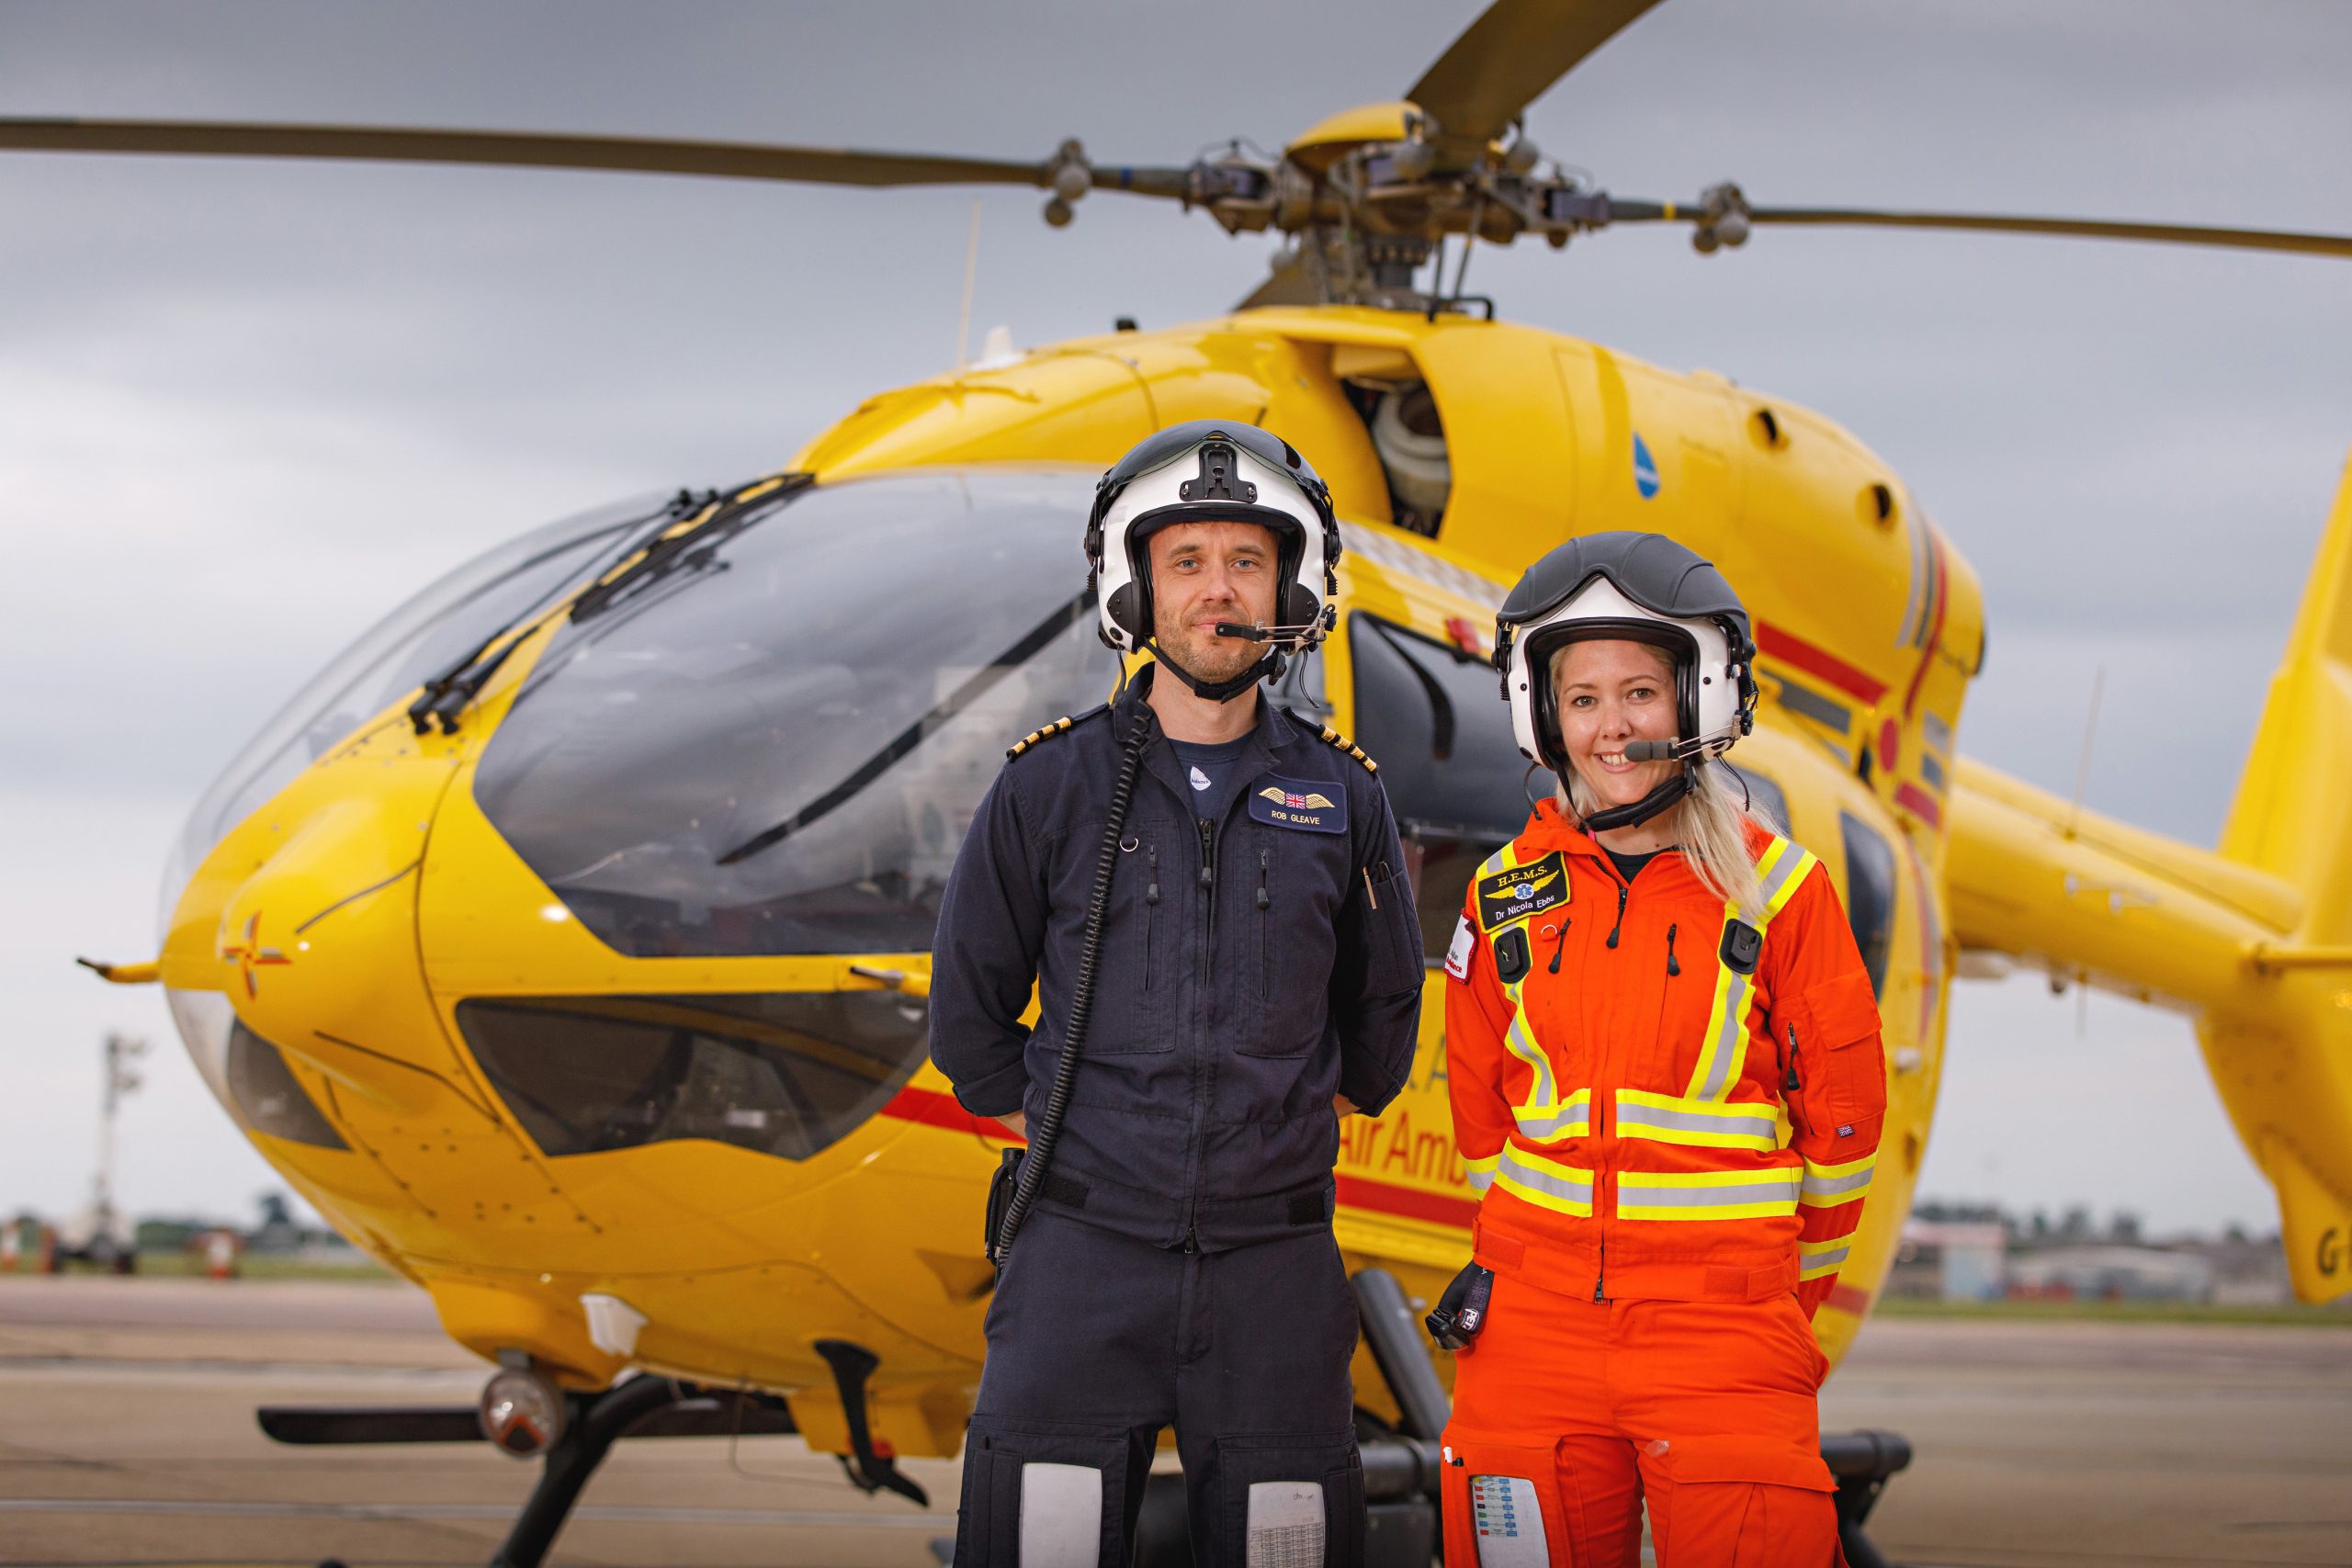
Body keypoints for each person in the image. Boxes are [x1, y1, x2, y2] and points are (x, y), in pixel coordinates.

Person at [932, 421, 1426, 1566]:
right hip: (1078, 1260)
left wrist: (1263, 1142)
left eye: (1246, 562)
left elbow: (1380, 1036)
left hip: (1276, 1274)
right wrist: (1092, 1147)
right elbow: (970, 1026)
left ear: (1286, 585)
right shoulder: (1047, 787)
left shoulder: (1343, 799)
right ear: (1135, 587)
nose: (1218, 591)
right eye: (1187, 562)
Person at [1436, 532, 1885, 1566]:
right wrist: (1540, 1265)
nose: (1610, 725)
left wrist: (1767, 1299)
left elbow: (1846, 1130)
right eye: (1581, 697)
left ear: (1700, 700)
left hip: (1723, 1334)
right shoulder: (1500, 893)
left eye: (1639, 691)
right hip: (1529, 1338)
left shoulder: (1783, 893)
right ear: (1544, 714)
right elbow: (1480, 1113)